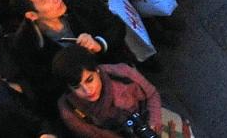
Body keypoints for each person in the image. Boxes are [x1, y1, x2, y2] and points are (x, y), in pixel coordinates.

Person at [52, 45, 190, 138]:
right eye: (77, 87)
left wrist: (153, 123)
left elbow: (152, 94)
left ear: (97, 70)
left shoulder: (122, 73)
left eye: (89, 80)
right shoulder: (70, 112)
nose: (88, 91)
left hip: (148, 118)